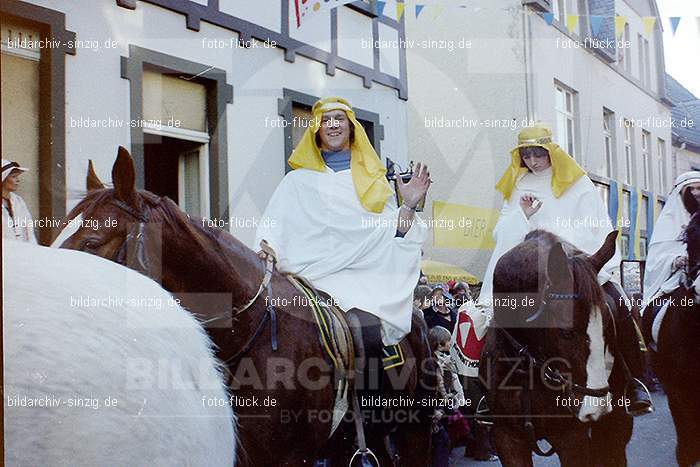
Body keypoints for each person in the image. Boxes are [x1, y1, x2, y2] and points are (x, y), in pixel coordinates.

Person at [451, 124, 651, 415]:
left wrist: (569, 254)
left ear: (550, 152)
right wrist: (523, 215)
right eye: (526, 155)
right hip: (529, 270)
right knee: (493, 319)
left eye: (538, 154)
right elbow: (502, 233)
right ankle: (489, 393)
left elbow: (595, 227)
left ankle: (632, 381)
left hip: (577, 266)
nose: (532, 161)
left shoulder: (578, 183)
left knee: (615, 305)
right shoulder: (517, 185)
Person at [255, 97, 431, 392]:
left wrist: (409, 206)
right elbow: (273, 226)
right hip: (307, 281)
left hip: (359, 280)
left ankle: (373, 415)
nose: (333, 124)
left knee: (367, 330)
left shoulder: (374, 181)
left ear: (351, 128)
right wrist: (268, 247)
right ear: (317, 130)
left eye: (339, 118)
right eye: (326, 120)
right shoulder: (296, 182)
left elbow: (392, 235)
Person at [642, 171, 700, 344]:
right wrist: (675, 260)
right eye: (692, 189)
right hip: (675, 279)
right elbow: (655, 259)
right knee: (655, 311)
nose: (697, 193)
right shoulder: (668, 221)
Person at [2, 160, 37, 244]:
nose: (18, 180)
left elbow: (29, 230)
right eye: (14, 177)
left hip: (22, 252)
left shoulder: (18, 201)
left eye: (17, 177)